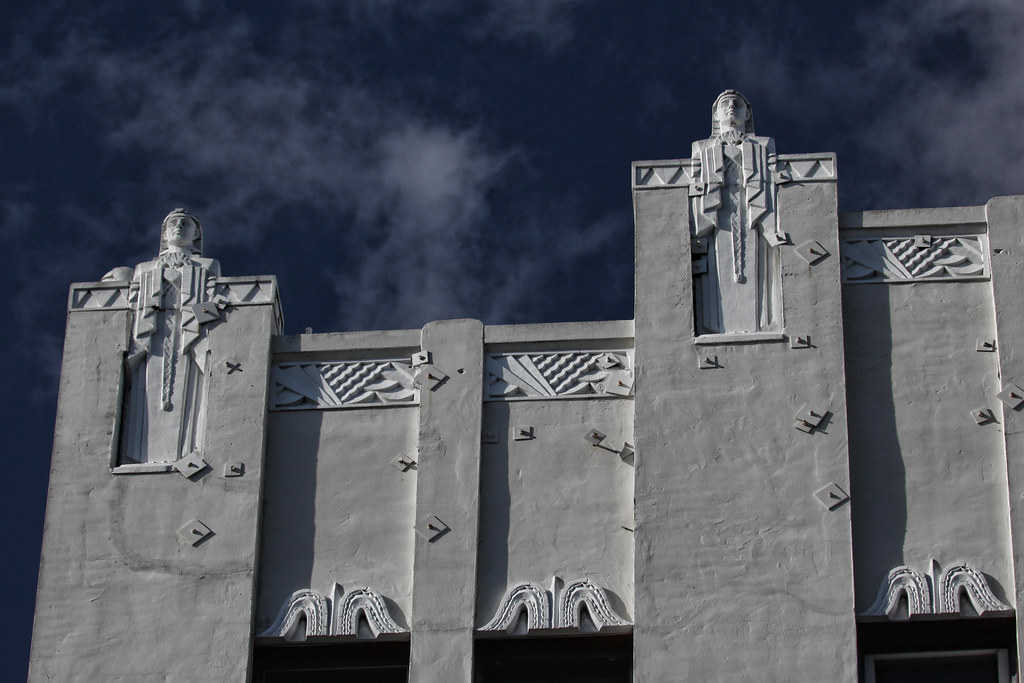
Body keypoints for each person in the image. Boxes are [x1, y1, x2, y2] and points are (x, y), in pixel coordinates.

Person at [118, 209, 222, 464]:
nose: (178, 227)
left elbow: (213, 298)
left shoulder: (207, 265)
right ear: (164, 234)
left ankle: (184, 452)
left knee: (185, 390)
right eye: (173, 223)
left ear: (196, 233)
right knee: (148, 393)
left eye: (185, 224)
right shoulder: (144, 268)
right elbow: (132, 299)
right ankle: (140, 454)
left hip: (188, 331)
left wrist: (198, 315)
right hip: (153, 331)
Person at [690, 91, 784, 335]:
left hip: (753, 204)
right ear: (716, 113)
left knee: (754, 265)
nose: (731, 106)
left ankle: (758, 324)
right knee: (720, 268)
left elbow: (774, 173)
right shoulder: (702, 147)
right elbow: (695, 179)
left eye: (738, 104)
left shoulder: (763, 144)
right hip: (718, 207)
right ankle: (717, 324)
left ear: (747, 113)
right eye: (725, 104)